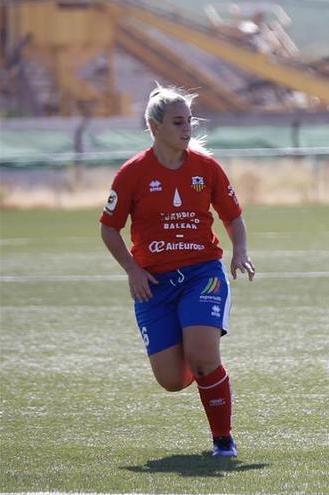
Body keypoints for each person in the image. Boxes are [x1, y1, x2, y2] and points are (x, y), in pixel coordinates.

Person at [100, 86, 255, 457]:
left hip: (203, 274)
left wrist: (240, 252)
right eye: (177, 122)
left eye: (189, 121)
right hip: (154, 284)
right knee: (171, 381)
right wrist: (132, 270)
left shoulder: (207, 168)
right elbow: (108, 228)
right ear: (155, 128)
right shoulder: (133, 173)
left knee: (203, 356)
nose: (187, 129)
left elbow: (233, 218)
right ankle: (203, 362)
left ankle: (223, 442)